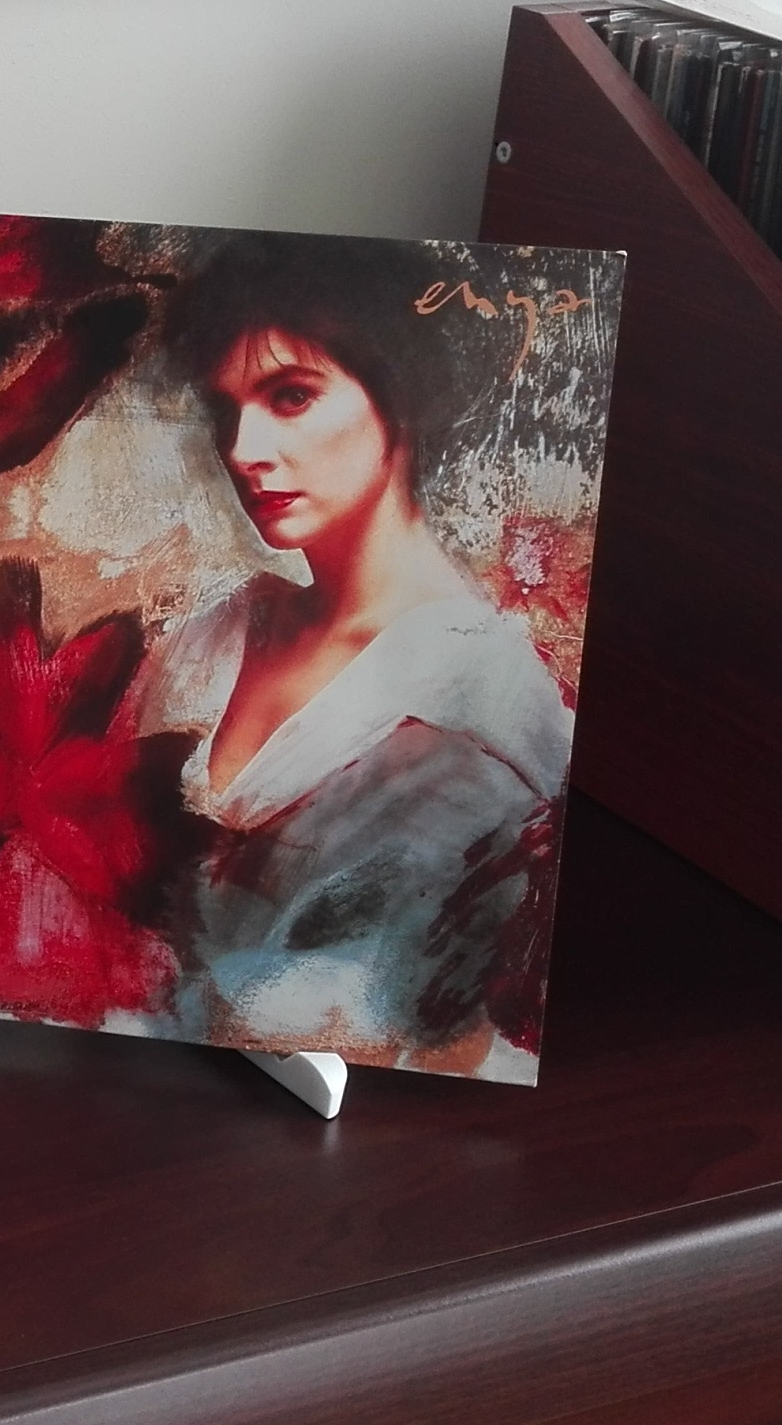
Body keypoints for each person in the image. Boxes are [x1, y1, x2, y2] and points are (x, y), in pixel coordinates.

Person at [141, 240, 572, 1080]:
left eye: (291, 396)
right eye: (225, 408)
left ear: (399, 396)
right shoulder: (214, 634)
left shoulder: (483, 699)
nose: (242, 448)